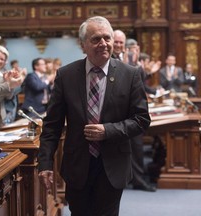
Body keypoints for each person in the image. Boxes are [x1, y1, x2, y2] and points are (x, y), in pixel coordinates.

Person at [38, 16, 151, 216]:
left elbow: (141, 120)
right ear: (83, 45)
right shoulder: (66, 75)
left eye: (107, 38)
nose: (104, 44)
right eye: (96, 39)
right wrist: (45, 163)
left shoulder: (131, 74)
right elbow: (52, 125)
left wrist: (108, 131)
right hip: (77, 165)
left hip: (113, 165)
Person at [112, 30, 156, 192]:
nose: (118, 45)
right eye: (115, 42)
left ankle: (138, 180)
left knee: (137, 148)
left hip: (132, 112)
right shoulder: (105, 58)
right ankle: (120, 180)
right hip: (114, 114)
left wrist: (140, 65)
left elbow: (140, 79)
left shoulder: (130, 58)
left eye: (120, 42)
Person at [0, 45, 26, 124]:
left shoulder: (5, 73)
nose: (0, 61)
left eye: (2, 59)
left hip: (5, 113)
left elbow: (10, 95)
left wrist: (16, 82)